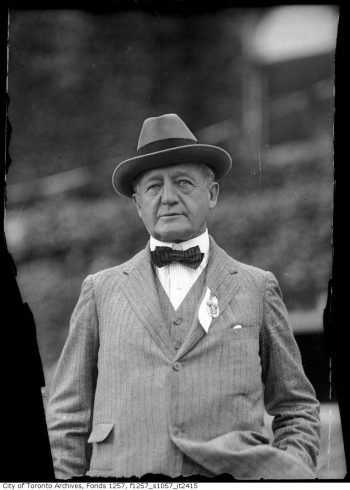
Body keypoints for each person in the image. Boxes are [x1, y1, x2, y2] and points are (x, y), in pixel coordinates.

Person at [46, 113, 321, 480]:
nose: (169, 198)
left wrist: (289, 474)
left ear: (212, 194)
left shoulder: (257, 287)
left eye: (183, 182)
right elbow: (67, 420)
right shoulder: (100, 291)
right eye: (154, 187)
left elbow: (297, 408)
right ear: (137, 204)